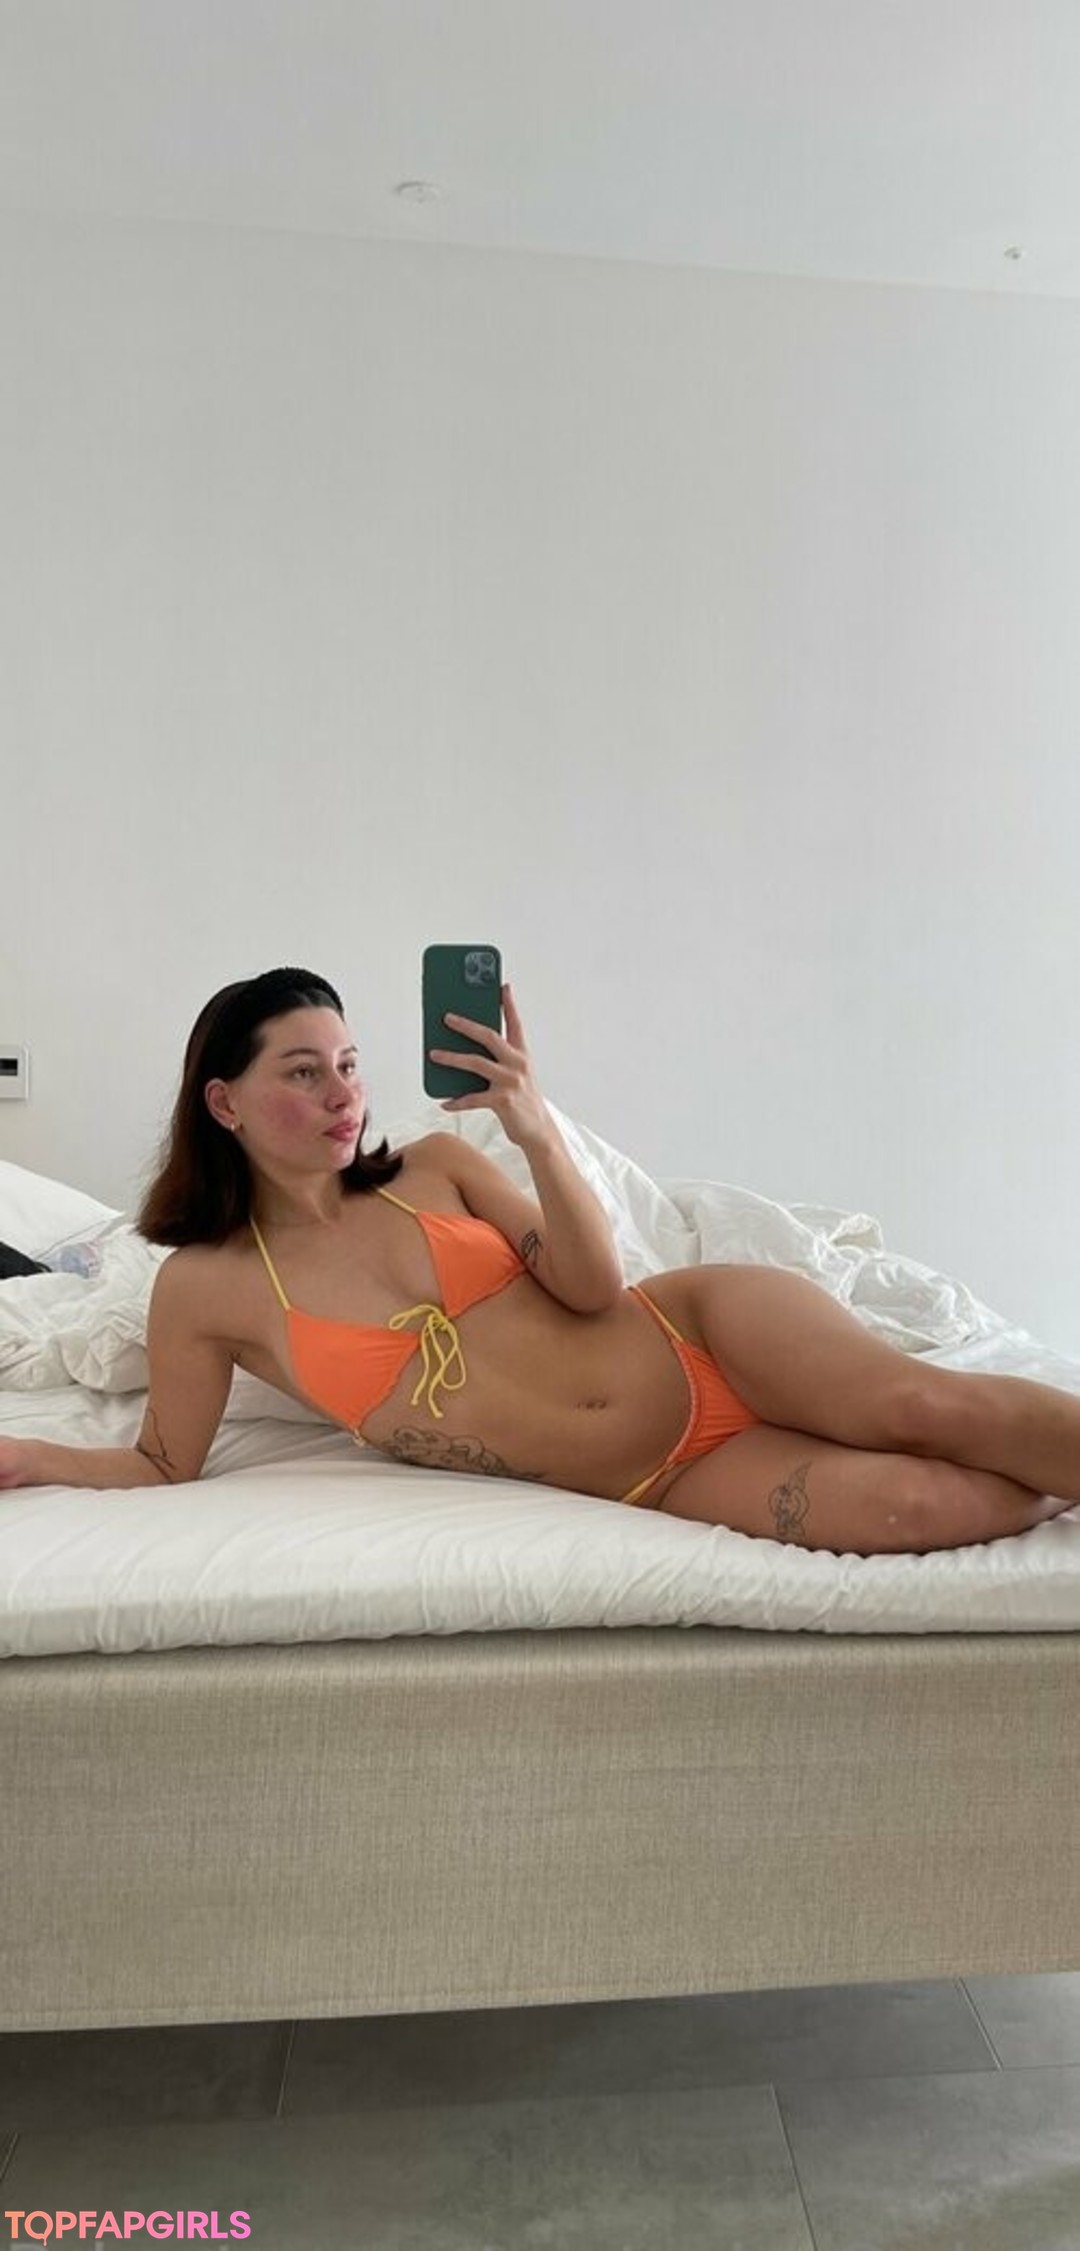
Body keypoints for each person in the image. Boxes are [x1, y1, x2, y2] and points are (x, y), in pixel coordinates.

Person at [2, 965, 1079, 1555]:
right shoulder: (205, 1288)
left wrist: (532, 1125)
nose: (343, 1095)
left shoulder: (432, 1166)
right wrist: (27, 1457)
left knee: (924, 1405)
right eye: (302, 1072)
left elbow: (596, 1286)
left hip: (698, 1331)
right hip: (659, 1475)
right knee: (908, 1511)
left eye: (350, 1064)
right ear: (225, 1102)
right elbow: (162, 1463)